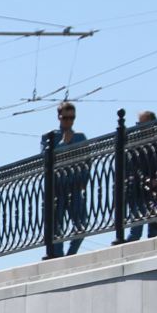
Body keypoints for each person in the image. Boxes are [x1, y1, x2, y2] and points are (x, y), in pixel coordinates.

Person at [43, 101, 87, 256]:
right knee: (56, 226)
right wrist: (63, 143)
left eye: (72, 118)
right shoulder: (50, 137)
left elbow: (87, 161)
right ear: (59, 117)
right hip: (56, 188)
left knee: (82, 224)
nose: (69, 121)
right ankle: (58, 256)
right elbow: (46, 160)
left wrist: (84, 181)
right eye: (65, 118)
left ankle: (71, 254)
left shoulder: (80, 137)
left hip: (74, 186)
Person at [124, 110, 157, 240]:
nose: (139, 128)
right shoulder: (134, 143)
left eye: (142, 124)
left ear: (152, 123)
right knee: (136, 230)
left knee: (154, 229)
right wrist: (146, 179)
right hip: (137, 190)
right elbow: (132, 168)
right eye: (138, 124)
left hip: (155, 190)